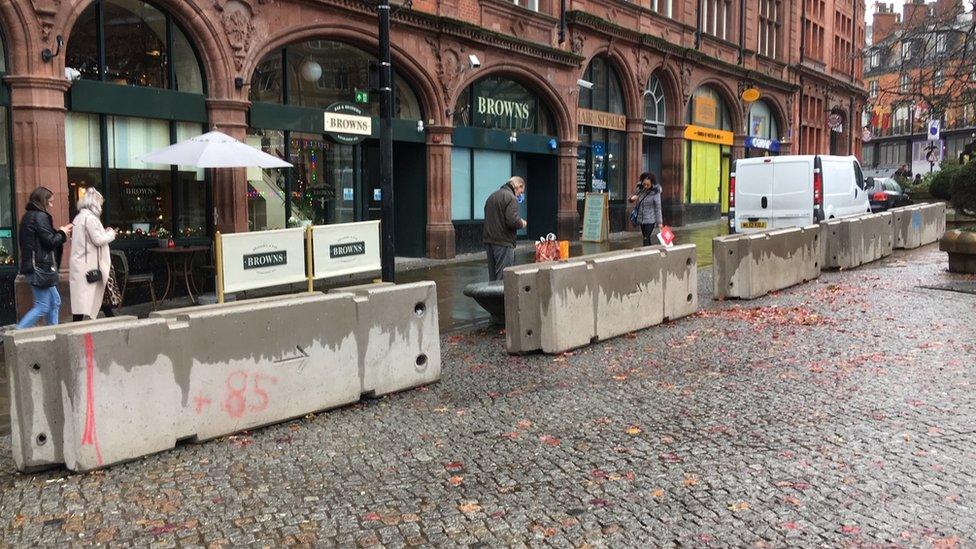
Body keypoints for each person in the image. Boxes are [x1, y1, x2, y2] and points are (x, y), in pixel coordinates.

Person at [16, 187, 72, 329]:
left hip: (37, 266)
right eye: (50, 202)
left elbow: (42, 239)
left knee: (55, 301)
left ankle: (53, 332)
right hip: (40, 268)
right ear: (43, 200)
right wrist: (62, 233)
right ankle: (17, 332)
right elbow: (50, 241)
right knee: (43, 306)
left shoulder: (28, 216)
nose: (51, 205)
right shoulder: (40, 216)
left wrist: (59, 233)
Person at [69, 188, 117, 321]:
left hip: (81, 263)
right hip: (89, 265)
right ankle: (112, 321)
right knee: (94, 296)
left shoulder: (78, 217)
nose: (101, 206)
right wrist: (111, 234)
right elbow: (98, 240)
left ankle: (111, 320)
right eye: (100, 203)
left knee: (84, 300)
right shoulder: (90, 219)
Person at [483, 176, 527, 281]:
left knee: (493, 278)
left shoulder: (492, 197)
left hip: (489, 241)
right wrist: (522, 223)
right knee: (503, 277)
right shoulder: (511, 198)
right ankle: (501, 298)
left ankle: (493, 297)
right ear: (519, 186)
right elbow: (512, 221)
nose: (520, 195)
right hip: (504, 242)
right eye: (521, 192)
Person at [628, 172, 664, 246]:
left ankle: (645, 254)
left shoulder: (655, 192)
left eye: (648, 184)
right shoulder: (640, 189)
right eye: (644, 184)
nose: (646, 186)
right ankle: (650, 253)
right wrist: (632, 199)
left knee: (646, 237)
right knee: (646, 237)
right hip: (641, 218)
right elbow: (631, 198)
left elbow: (658, 208)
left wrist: (660, 222)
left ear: (652, 183)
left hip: (650, 219)